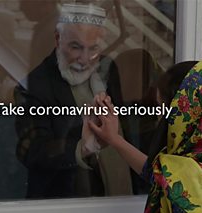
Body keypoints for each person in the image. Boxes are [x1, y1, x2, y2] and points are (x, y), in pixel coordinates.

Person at [89, 60, 202, 213]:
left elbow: (158, 172)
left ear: (186, 119)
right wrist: (115, 139)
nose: (161, 121)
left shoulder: (187, 175)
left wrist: (114, 139)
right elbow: (157, 171)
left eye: (165, 112)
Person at [15, 3, 132, 199]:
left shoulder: (108, 69)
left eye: (93, 48)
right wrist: (81, 148)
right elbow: (31, 150)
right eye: (76, 47)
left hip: (120, 203)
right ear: (58, 39)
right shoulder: (33, 86)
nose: (84, 58)